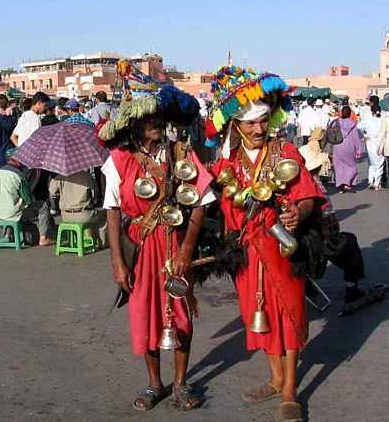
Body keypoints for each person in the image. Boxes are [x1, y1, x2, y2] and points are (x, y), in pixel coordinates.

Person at [204, 65, 323, 422]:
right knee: (259, 317)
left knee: (289, 314)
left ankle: (290, 391)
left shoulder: (285, 152)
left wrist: (297, 216)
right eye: (250, 123)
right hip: (246, 254)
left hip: (280, 248)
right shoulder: (227, 163)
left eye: (263, 121)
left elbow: (308, 195)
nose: (258, 129)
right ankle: (274, 378)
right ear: (237, 125)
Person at [100, 84, 212, 412]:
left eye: (158, 116)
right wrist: (117, 264)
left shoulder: (181, 153)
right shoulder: (118, 159)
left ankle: (180, 383)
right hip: (139, 247)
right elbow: (112, 211)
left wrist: (186, 250)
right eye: (147, 118)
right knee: (142, 314)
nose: (154, 123)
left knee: (182, 317)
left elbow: (202, 201)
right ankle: (154, 384)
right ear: (131, 124)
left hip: (175, 245)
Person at [0, 149, 56, 246]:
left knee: (9, 204)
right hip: (11, 212)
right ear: (17, 161)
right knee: (43, 206)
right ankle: (43, 238)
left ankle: (6, 235)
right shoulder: (17, 174)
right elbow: (27, 199)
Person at [49, 169, 107, 248]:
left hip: (65, 215)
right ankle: (102, 242)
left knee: (94, 216)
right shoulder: (87, 176)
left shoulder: (60, 176)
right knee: (104, 216)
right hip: (83, 214)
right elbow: (95, 193)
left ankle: (78, 240)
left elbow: (52, 192)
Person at [334, 106, 362, 193]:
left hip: (337, 146)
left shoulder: (336, 122)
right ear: (350, 114)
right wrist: (358, 150)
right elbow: (355, 138)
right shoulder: (352, 124)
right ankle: (347, 183)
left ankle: (340, 186)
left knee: (338, 166)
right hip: (349, 146)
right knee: (350, 166)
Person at [358, 104, 384, 190]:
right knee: (379, 163)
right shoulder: (383, 120)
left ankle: (371, 180)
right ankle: (377, 183)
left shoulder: (368, 121)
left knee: (371, 162)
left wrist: (364, 135)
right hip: (380, 143)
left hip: (369, 142)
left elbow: (358, 127)